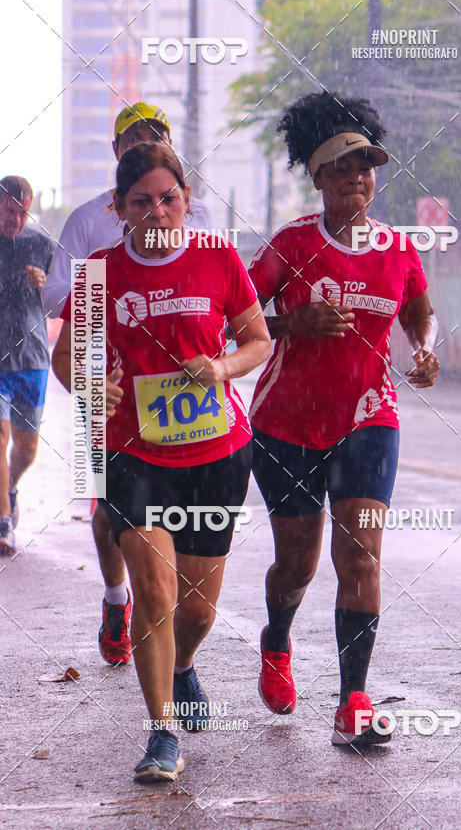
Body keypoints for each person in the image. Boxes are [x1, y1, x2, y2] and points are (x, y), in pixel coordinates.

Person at [52, 142, 270, 782]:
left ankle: (182, 664)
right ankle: (161, 733)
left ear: (186, 201)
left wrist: (222, 367)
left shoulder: (219, 258)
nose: (156, 212)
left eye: (168, 199)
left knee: (197, 609)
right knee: (155, 593)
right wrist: (94, 389)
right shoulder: (98, 273)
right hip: (133, 450)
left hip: (217, 453)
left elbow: (256, 339)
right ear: (119, 208)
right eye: (141, 202)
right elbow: (69, 360)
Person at [248, 91, 440, 747]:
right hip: (286, 423)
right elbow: (235, 318)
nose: (360, 176)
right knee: (298, 563)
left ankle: (352, 702)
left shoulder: (398, 247)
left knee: (360, 553)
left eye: (369, 164)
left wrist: (425, 346)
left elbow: (418, 308)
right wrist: (291, 322)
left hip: (368, 415)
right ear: (320, 176)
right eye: (346, 165)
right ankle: (277, 639)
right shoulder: (291, 244)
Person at [43, 102, 213, 667]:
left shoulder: (193, 210)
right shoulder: (91, 218)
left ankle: (171, 623)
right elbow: (59, 295)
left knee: (187, 516)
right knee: (105, 509)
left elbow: (217, 291)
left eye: (156, 135)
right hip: (108, 385)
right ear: (115, 152)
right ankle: (119, 600)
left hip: (185, 395)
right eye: (133, 137)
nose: (144, 143)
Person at [0, 176, 55, 556]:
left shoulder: (41, 244)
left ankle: (9, 486)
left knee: (26, 446)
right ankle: (3, 522)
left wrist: (46, 282)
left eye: (22, 212)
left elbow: (71, 295)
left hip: (32, 358)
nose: (16, 220)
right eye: (8, 210)